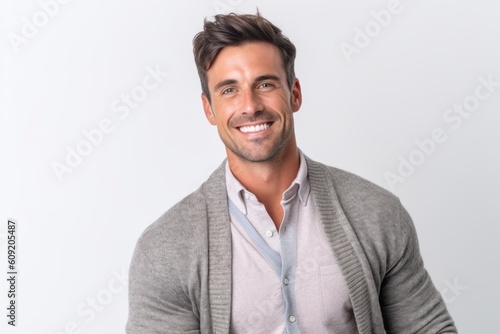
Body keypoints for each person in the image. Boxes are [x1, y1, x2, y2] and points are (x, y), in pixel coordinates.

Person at [126, 12, 457, 334]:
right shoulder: (164, 250)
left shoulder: (377, 214)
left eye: (265, 84)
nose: (250, 105)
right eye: (229, 90)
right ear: (209, 109)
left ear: (294, 94)